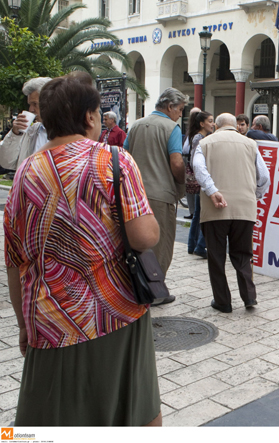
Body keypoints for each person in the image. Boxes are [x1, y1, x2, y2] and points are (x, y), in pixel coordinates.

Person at [3, 71, 161, 426]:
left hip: (49, 321)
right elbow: (143, 237)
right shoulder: (112, 160)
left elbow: (14, 259)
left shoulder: (24, 173)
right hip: (116, 312)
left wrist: (23, 324)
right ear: (90, 117)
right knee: (135, 410)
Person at [192, 113, 270, 313]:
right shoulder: (251, 144)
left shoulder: (205, 143)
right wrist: (253, 195)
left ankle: (223, 301)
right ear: (235, 126)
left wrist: (212, 190)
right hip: (244, 208)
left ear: (216, 126)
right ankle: (249, 296)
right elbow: (264, 177)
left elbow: (198, 168)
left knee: (216, 256)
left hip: (214, 209)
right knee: (243, 255)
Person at [124, 87, 188, 305]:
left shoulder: (136, 125)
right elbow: (177, 162)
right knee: (161, 245)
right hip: (161, 195)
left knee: (137, 243)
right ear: (170, 107)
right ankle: (155, 291)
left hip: (135, 194)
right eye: (180, 109)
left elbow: (125, 155)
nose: (180, 114)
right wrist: (182, 182)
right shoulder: (171, 128)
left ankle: (136, 286)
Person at [0, 77, 52, 170]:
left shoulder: (69, 132)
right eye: (30, 104)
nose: (31, 109)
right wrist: (15, 134)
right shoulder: (30, 132)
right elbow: (6, 162)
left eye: (35, 104)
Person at [186, 110, 213, 258]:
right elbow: (195, 161)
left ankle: (193, 245)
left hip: (199, 180)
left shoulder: (199, 137)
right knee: (202, 214)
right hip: (200, 180)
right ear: (202, 123)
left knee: (198, 213)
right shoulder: (199, 138)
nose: (212, 124)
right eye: (210, 121)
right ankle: (199, 246)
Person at [182, 107, 202, 219]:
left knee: (194, 185)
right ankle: (192, 211)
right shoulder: (189, 130)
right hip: (186, 158)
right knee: (189, 186)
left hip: (191, 159)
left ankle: (195, 211)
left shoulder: (198, 133)